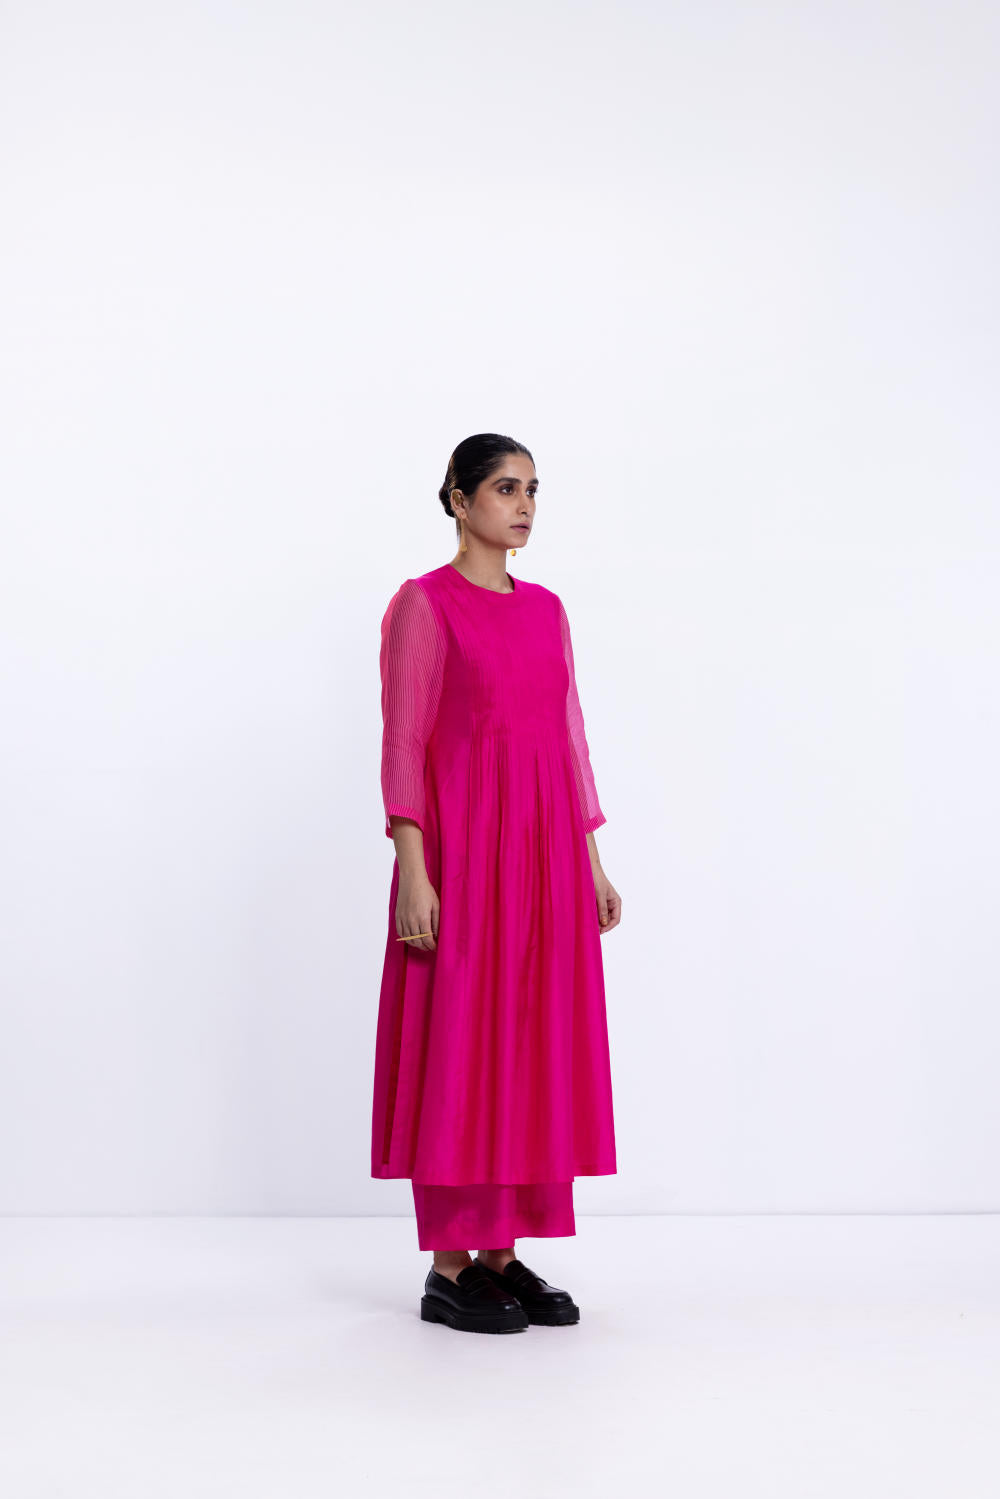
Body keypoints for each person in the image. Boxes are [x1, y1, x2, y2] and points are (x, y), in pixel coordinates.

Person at [371, 433, 621, 1334]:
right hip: (466, 853)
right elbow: (404, 739)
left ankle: (502, 1255)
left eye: (533, 490)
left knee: (529, 1040)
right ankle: (450, 1267)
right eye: (506, 488)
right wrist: (414, 871)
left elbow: (567, 735)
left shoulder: (547, 610)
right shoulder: (425, 605)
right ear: (458, 498)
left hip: (546, 854)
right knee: (462, 1041)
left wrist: (591, 861)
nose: (524, 506)